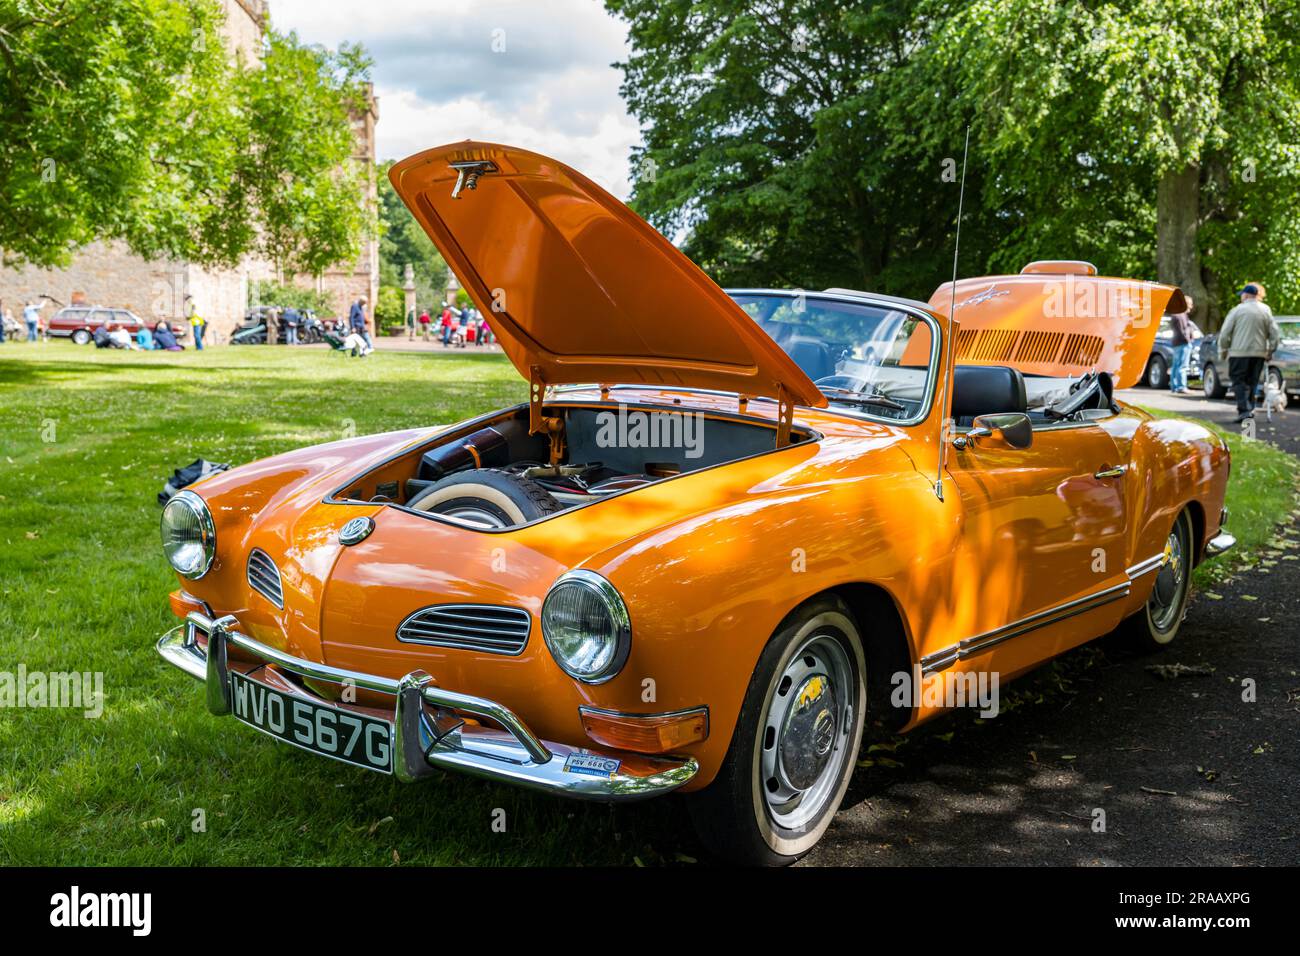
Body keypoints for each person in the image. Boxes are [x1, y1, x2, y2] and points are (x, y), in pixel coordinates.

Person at [1218, 283, 1281, 422]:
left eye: (1242, 295)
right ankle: (1250, 408)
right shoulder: (1265, 310)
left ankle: (1244, 410)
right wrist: (1271, 350)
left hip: (1238, 353)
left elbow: (1224, 333)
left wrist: (1223, 349)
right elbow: (1274, 333)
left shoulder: (1237, 310)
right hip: (1258, 353)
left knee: (1238, 381)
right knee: (1252, 382)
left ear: (1246, 295)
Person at [1168, 294, 1195, 394]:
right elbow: (1182, 331)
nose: (1191, 307)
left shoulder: (1176, 314)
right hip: (1183, 343)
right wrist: (1188, 339)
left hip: (1176, 343)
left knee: (1176, 366)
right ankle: (1181, 386)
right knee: (1182, 366)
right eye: (1190, 304)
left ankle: (1174, 386)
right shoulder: (1180, 315)